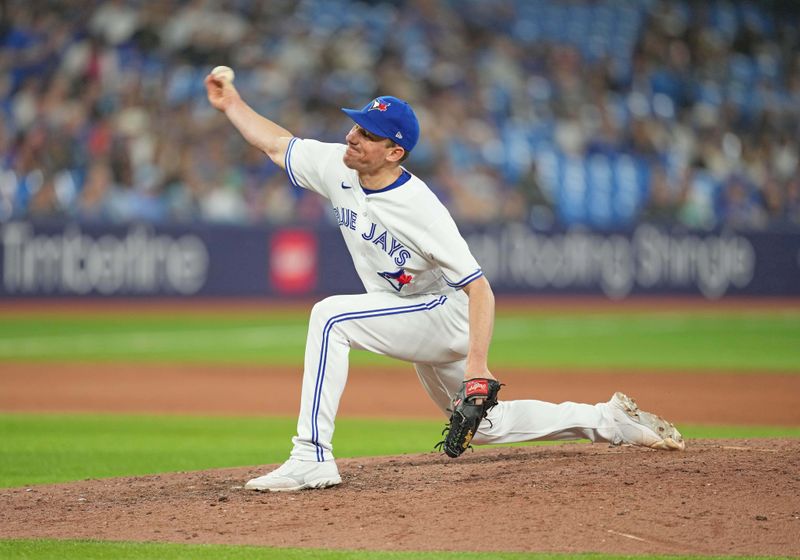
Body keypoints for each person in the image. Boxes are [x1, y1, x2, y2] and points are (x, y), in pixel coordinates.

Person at [204, 72, 685, 492]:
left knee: (329, 317)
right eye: (355, 125)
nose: (353, 137)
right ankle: (606, 420)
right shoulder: (338, 167)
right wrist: (232, 104)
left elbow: (480, 288)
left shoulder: (420, 206)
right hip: (409, 313)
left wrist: (478, 365)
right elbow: (276, 143)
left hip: (443, 311)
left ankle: (311, 455)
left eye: (368, 134)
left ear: (394, 151)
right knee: (489, 425)